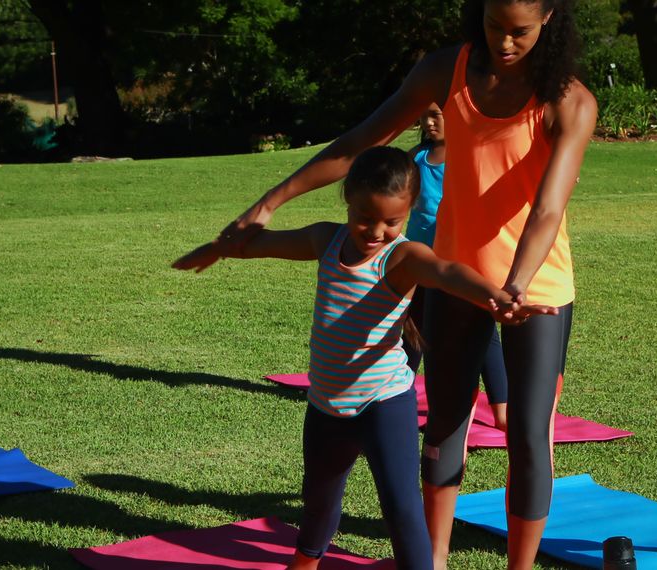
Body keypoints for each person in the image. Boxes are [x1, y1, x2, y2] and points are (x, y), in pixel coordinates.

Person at [212, 1, 595, 566]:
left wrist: (514, 285)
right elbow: (361, 141)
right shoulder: (448, 69)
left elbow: (546, 210)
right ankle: (431, 562)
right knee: (443, 424)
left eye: (521, 33)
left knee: (529, 438)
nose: (505, 43)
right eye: (494, 27)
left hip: (535, 290)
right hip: (451, 277)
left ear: (549, 19)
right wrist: (269, 203)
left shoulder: (570, 101)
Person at [173, 146, 557, 570]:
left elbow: (448, 273)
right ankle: (303, 564)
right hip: (326, 405)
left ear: (409, 211)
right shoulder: (326, 239)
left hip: (384, 403)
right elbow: (265, 244)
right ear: (347, 202)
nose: (376, 231)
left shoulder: (403, 257)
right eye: (364, 218)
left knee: (402, 508)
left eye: (392, 222)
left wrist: (497, 297)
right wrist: (219, 249)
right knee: (318, 499)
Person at [403, 102, 509, 430]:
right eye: (425, 116)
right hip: (420, 259)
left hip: (458, 259)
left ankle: (502, 408)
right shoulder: (416, 158)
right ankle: (400, 393)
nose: (429, 122)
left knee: (483, 331)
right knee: (414, 327)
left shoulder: (468, 158)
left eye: (437, 115)